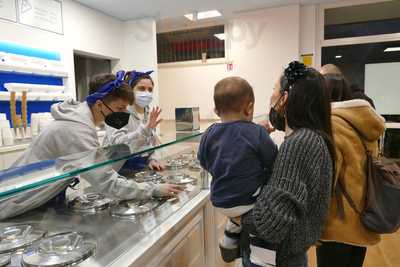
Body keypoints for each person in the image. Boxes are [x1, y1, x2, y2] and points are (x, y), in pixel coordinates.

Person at [3, 71, 182, 220]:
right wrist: (153, 190)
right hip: (21, 201)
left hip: (42, 196)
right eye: (120, 109)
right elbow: (106, 182)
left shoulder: (82, 121)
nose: (123, 115)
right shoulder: (76, 129)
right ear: (99, 104)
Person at [240, 61, 335, 267]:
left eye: (274, 89)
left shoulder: (300, 144)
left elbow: (270, 225)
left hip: (279, 258)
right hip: (287, 256)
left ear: (284, 99)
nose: (270, 97)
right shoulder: (308, 138)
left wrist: (237, 216)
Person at [198, 77, 278, 264]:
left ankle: (230, 237)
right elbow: (273, 160)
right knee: (266, 199)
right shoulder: (256, 132)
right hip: (248, 200)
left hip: (219, 200)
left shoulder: (209, 133)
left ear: (217, 110)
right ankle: (262, 259)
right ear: (249, 108)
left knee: (237, 212)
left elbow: (203, 161)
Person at [317, 73, 385, 267]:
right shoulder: (364, 124)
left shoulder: (332, 125)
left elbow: (326, 183)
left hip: (338, 225)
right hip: (363, 218)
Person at [103, 70, 164, 171]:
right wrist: (142, 132)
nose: (146, 93)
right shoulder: (117, 112)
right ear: (130, 90)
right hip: (116, 168)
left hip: (139, 165)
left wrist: (152, 159)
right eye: (141, 88)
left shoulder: (148, 113)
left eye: (150, 90)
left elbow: (151, 142)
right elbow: (118, 146)